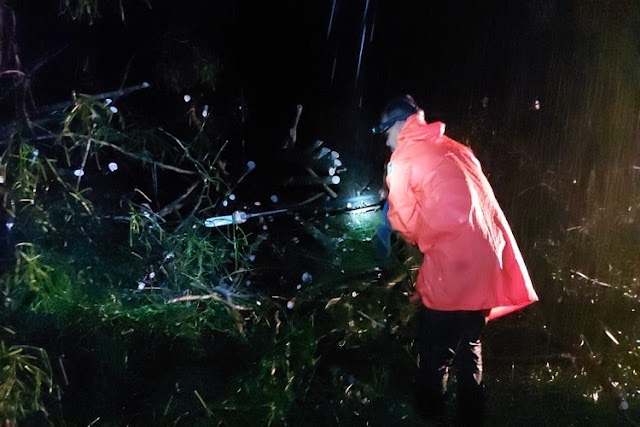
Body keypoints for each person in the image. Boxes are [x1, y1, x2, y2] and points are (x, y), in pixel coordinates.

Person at [372, 94, 539, 425]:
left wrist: (391, 209)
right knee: (469, 344)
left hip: (453, 269)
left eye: (385, 134)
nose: (387, 142)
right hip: (488, 263)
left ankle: (428, 413)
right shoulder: (456, 148)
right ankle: (472, 415)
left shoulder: (403, 158)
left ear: (396, 126)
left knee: (435, 351)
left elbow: (405, 224)